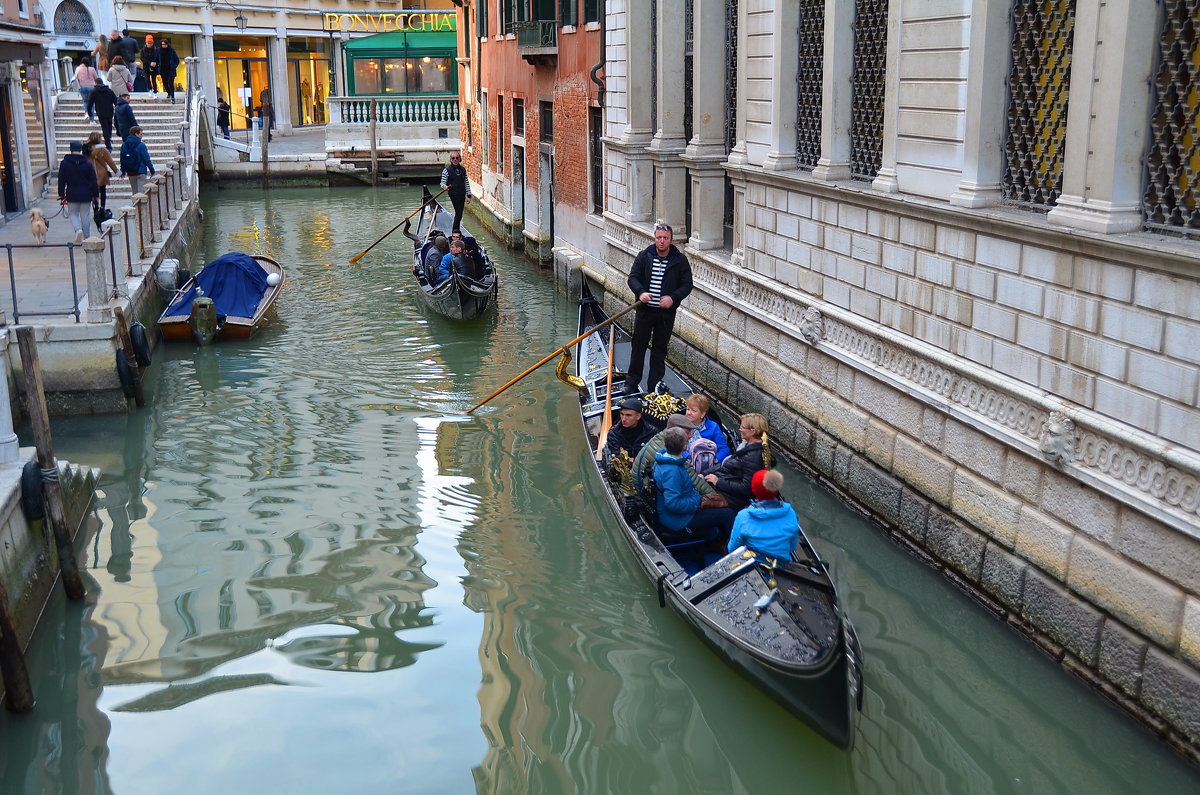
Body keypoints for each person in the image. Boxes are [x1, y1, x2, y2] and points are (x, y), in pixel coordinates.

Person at [623, 222, 693, 394]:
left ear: (671, 240)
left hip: (665, 315)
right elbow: (633, 278)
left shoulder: (680, 260)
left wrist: (673, 298)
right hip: (645, 312)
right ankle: (631, 383)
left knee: (659, 350)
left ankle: (653, 386)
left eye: (665, 238)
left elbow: (687, 285)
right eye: (659, 237)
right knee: (638, 346)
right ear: (654, 238)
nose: (661, 241)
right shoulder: (644, 256)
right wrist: (640, 293)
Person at [653, 427, 736, 567]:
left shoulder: (665, 461)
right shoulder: (672, 471)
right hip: (679, 519)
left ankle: (716, 541)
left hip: (682, 511)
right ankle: (731, 550)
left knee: (721, 505)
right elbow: (673, 503)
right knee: (727, 514)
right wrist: (697, 500)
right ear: (685, 446)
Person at [633, 413, 713, 504]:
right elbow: (694, 479)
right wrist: (715, 496)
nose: (690, 435)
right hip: (643, 498)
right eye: (687, 432)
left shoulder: (661, 437)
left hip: (642, 488)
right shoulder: (671, 450)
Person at [703, 413, 771, 512]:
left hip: (732, 497)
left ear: (753, 432)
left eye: (743, 427)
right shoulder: (746, 447)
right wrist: (704, 473)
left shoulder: (754, 457)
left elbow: (746, 488)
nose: (740, 429)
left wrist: (718, 482)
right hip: (723, 481)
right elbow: (725, 466)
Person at [727, 470, 800, 560]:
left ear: (754, 490)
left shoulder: (743, 516)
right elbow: (792, 547)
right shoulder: (791, 513)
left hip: (754, 564)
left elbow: (732, 549)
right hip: (782, 567)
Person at [58, 141, 100, 244]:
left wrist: (61, 194)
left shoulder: (65, 163)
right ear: (80, 149)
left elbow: (61, 180)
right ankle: (86, 237)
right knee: (85, 215)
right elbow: (93, 181)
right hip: (86, 193)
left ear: (70, 149)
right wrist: (95, 195)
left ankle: (78, 230)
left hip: (72, 192)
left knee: (73, 214)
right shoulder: (87, 163)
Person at [684, 393, 732, 463]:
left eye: (693, 410)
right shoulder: (680, 423)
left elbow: (724, 449)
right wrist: (688, 457)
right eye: (688, 409)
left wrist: (713, 461)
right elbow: (675, 445)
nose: (688, 413)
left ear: (703, 414)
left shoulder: (713, 427)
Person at [439, 151, 471, 233]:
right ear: (451, 160)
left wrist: (469, 195)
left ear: (459, 159)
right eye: (453, 158)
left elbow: (466, 182)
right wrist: (444, 186)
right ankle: (455, 232)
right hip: (453, 194)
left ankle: (456, 231)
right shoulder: (446, 170)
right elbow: (442, 182)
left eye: (457, 158)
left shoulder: (463, 170)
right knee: (458, 213)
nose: (455, 159)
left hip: (462, 193)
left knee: (459, 214)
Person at [84, 132, 118, 209]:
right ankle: (102, 207)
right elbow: (109, 161)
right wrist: (117, 172)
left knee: (93, 191)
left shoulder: (86, 148)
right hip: (102, 172)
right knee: (103, 191)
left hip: (90, 172)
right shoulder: (102, 149)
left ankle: (95, 206)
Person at [120, 125, 155, 195]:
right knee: (141, 193)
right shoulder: (141, 145)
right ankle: (141, 206)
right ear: (136, 134)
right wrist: (152, 171)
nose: (142, 136)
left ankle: (135, 206)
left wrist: (123, 171)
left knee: (134, 192)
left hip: (130, 171)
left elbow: (122, 159)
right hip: (140, 170)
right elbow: (146, 159)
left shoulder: (124, 145)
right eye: (141, 134)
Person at [87, 82, 118, 149]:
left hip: (100, 112)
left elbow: (90, 102)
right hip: (110, 111)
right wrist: (117, 110)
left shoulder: (94, 91)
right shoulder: (109, 91)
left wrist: (89, 112)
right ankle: (108, 138)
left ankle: (108, 143)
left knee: (104, 127)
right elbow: (115, 101)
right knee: (109, 125)